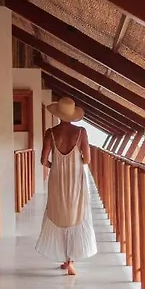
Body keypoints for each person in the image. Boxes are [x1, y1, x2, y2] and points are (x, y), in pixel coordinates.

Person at [35, 97, 97, 276]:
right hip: (76, 178)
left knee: (58, 213)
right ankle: (70, 261)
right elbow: (87, 159)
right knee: (75, 214)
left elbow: (43, 160)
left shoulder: (50, 132)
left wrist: (55, 166)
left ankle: (65, 259)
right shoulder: (81, 132)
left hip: (56, 179)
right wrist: (74, 161)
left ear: (58, 114)